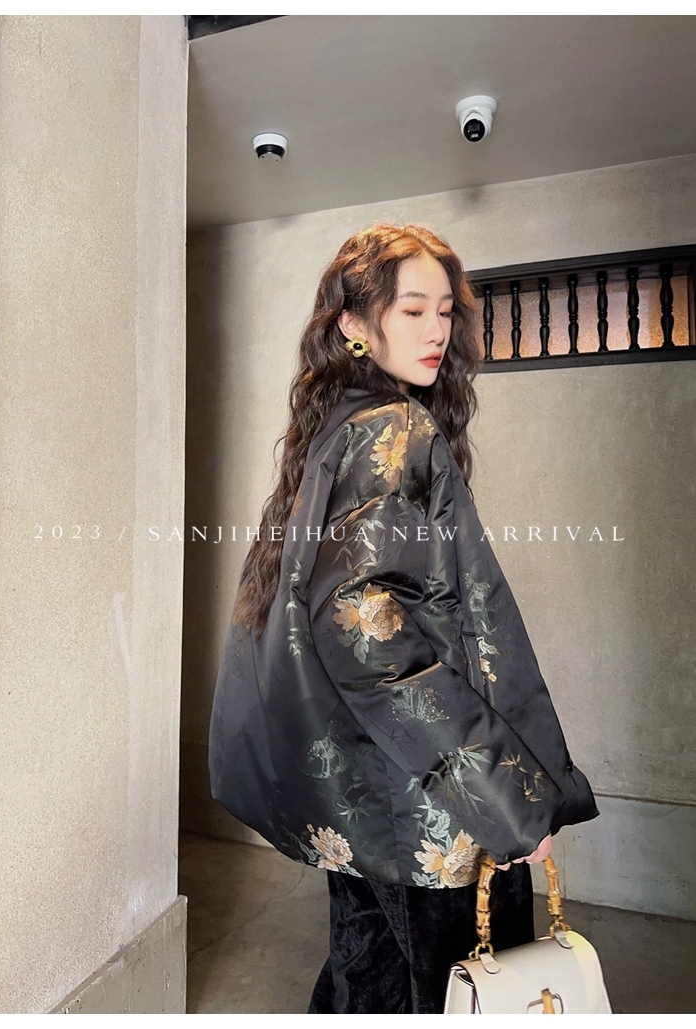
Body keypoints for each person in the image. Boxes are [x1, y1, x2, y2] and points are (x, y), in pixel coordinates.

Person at [208, 223, 599, 1014]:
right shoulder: (395, 428)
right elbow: (362, 625)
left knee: (367, 983)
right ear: (355, 324)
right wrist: (504, 796)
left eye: (445, 311)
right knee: (459, 991)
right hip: (435, 811)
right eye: (412, 309)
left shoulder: (337, 428)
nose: (435, 330)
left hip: (373, 793)